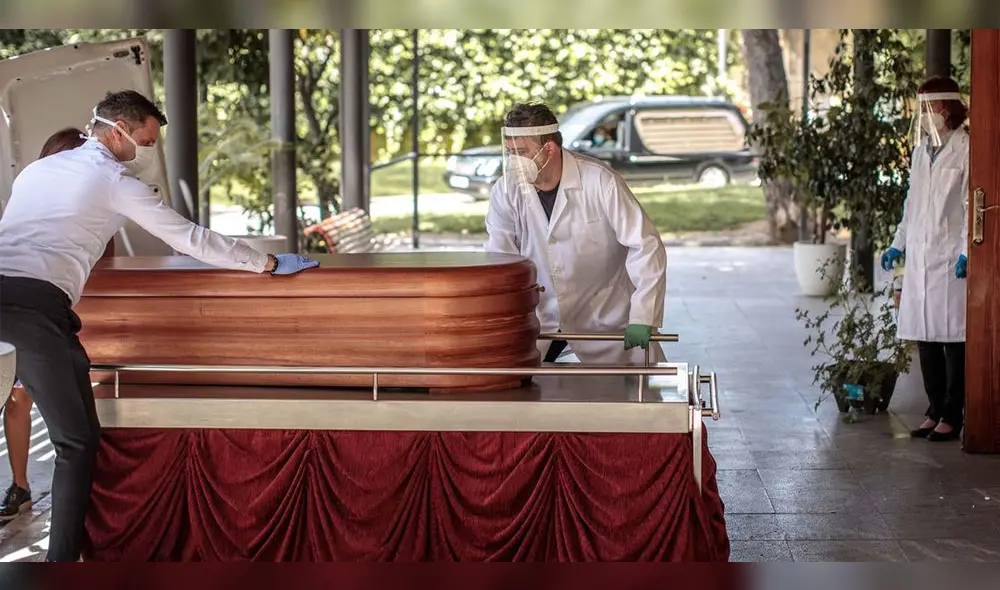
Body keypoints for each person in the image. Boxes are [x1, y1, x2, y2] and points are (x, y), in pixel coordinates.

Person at [0, 90, 319, 561]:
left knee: (65, 428)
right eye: (146, 142)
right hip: (35, 309)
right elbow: (189, 238)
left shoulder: (37, 170)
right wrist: (266, 262)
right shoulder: (113, 181)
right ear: (118, 131)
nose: (148, 152)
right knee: (77, 442)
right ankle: (60, 567)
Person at [484, 102, 667, 365]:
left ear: (549, 148)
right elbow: (500, 259)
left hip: (605, 321)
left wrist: (643, 315)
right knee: (533, 388)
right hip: (541, 319)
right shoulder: (506, 191)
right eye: (510, 152)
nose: (514, 162)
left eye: (522, 152)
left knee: (626, 389)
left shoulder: (600, 180)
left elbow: (645, 245)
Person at [0, 127, 101, 522]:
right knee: (18, 402)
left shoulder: (87, 203)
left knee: (33, 406)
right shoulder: (31, 196)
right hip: (29, 314)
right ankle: (20, 485)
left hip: (51, 317)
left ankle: (21, 486)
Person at [880, 75, 969, 443]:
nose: (925, 114)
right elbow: (911, 205)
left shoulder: (966, 148)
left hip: (949, 257)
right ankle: (934, 410)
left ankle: (953, 413)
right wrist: (897, 244)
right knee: (925, 337)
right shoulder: (921, 152)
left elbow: (970, 203)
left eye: (929, 107)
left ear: (945, 108)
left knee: (954, 337)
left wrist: (966, 251)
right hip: (921, 255)